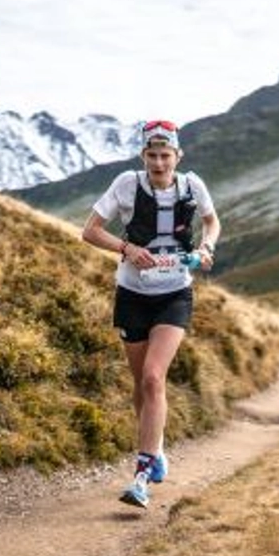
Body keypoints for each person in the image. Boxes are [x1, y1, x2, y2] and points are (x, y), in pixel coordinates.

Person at [81, 119, 221, 509]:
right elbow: (90, 231)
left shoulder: (192, 186)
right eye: (152, 156)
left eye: (166, 156)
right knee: (140, 384)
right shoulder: (127, 184)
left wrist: (207, 248)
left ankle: (141, 475)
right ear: (143, 156)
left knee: (154, 378)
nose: (159, 163)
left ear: (178, 156)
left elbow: (211, 222)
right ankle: (155, 448)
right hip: (131, 295)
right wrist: (126, 250)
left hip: (175, 293)